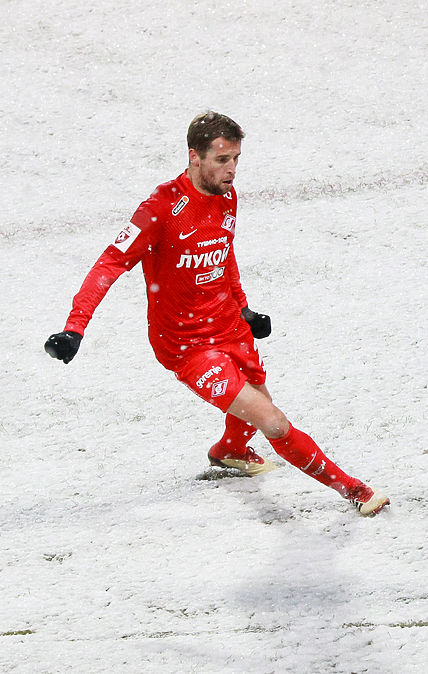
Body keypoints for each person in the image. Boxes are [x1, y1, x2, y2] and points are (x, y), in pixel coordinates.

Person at [44, 111, 389, 517]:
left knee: (255, 398)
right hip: (186, 346)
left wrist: (243, 308)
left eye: (236, 159)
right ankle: (355, 490)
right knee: (273, 422)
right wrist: (74, 328)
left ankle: (229, 452)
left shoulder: (228, 195)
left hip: (228, 326)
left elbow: (224, 253)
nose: (232, 170)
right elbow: (110, 262)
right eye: (222, 160)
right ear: (194, 156)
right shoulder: (160, 209)